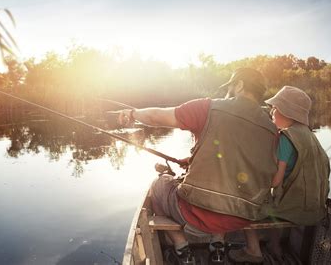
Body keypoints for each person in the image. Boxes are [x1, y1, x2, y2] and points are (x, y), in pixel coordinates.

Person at [118, 68, 279, 264]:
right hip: (242, 218)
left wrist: (133, 113)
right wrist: (194, 158)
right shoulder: (272, 128)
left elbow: (155, 117)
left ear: (239, 85)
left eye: (230, 86)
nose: (228, 91)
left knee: (158, 185)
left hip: (195, 216)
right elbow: (242, 161)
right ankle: (218, 243)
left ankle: (181, 246)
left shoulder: (208, 108)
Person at [228, 85, 331, 264]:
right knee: (273, 199)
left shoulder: (286, 138)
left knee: (242, 203)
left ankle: (253, 251)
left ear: (286, 112)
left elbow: (275, 181)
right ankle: (274, 246)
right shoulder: (310, 135)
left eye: (275, 108)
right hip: (315, 208)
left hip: (295, 209)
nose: (271, 112)